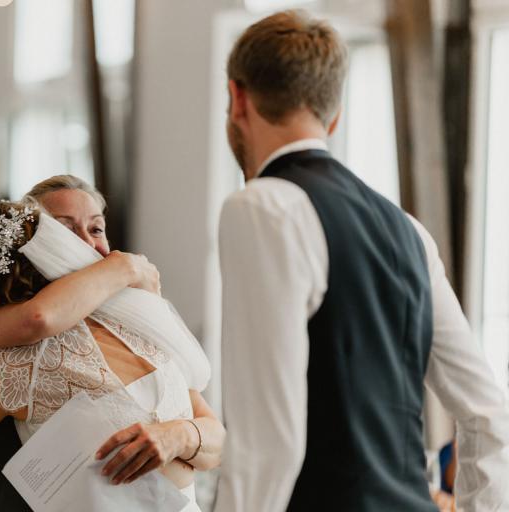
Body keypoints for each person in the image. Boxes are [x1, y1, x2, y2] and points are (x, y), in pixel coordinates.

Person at [214, 10, 509, 512]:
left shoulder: (264, 206)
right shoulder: (407, 230)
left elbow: (267, 444)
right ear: (334, 115)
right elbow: (488, 414)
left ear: (237, 97)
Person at [0, 198, 224, 512]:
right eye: (68, 230)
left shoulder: (2, 368)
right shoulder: (132, 322)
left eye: (96, 228)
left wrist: (180, 435)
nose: (86, 243)